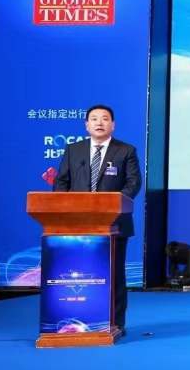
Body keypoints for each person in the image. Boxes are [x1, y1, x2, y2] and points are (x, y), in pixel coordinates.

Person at [52, 105, 141, 333]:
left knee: (114, 276)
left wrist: (114, 205)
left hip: (115, 224)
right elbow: (61, 182)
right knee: (80, 275)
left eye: (104, 119)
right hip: (77, 225)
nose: (99, 122)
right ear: (86, 125)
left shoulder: (126, 151)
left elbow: (133, 183)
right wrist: (66, 208)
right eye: (94, 119)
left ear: (113, 124)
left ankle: (116, 323)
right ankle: (79, 320)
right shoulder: (74, 150)